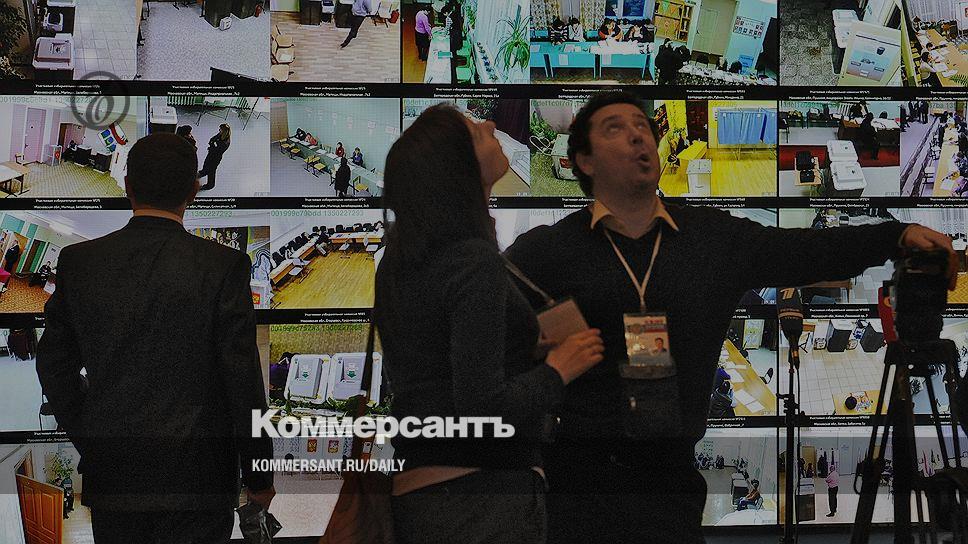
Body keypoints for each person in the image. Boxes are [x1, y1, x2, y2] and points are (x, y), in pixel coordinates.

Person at [502, 91, 957, 543]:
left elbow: (807, 251)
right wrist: (547, 377)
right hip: (574, 490)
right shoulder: (545, 253)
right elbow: (484, 343)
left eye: (642, 126)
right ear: (584, 161)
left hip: (672, 486)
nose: (638, 136)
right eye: (615, 128)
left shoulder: (713, 239)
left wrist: (896, 235)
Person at [375, 104, 605, 543]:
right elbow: (481, 409)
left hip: (421, 493)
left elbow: (434, 367)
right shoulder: (472, 261)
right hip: (483, 501)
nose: (491, 124)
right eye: (475, 130)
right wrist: (560, 368)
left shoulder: (399, 260)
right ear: (458, 166)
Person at [35, 133, 275, 544]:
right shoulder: (223, 266)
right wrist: (259, 475)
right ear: (194, 191)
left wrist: (93, 436)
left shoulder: (79, 263)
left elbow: (54, 369)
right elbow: (244, 384)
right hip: (200, 484)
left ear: (127, 186)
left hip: (116, 480)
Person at [198, 124, 231, 191]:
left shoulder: (225, 143)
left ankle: (210, 185)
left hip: (216, 158)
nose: (219, 130)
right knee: (206, 163)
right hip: (211, 154)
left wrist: (212, 146)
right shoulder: (220, 135)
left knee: (211, 171)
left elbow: (217, 150)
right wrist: (212, 143)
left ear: (224, 131)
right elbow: (213, 139)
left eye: (220, 130)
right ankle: (204, 172)